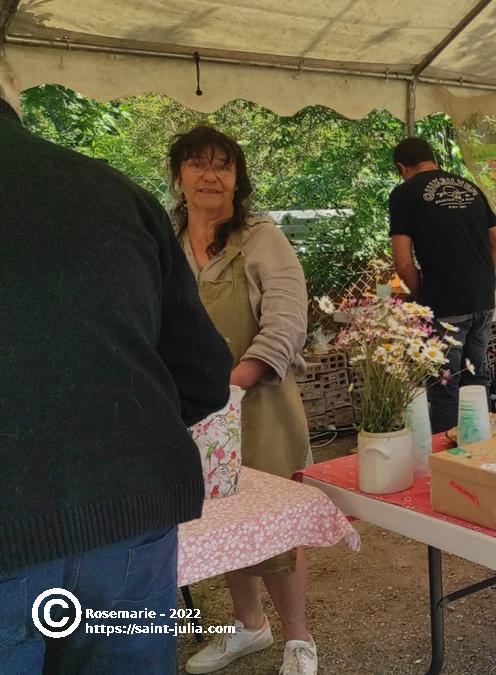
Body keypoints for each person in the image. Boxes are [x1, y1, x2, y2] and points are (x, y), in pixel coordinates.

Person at [0, 55, 232, 673]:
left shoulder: (253, 235)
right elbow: (203, 372)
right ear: (13, 86)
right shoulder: (118, 194)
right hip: (128, 512)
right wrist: (124, 424)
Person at [169, 126, 317, 675]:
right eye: (197, 164)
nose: (210, 176)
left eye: (222, 166)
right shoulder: (167, 241)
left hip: (261, 406)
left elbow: (287, 324)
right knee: (223, 517)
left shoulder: (261, 239)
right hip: (192, 410)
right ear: (179, 175)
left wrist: (230, 385)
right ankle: (250, 626)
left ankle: (299, 639)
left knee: (274, 524)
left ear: (238, 178)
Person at [389, 137, 496, 432]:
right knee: (476, 379)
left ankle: (448, 455)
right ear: (433, 159)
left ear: (402, 168)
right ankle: (482, 448)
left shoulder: (404, 194)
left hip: (444, 304)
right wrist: (480, 278)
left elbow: (403, 263)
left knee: (445, 386)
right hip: (483, 301)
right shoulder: (469, 187)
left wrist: (421, 295)